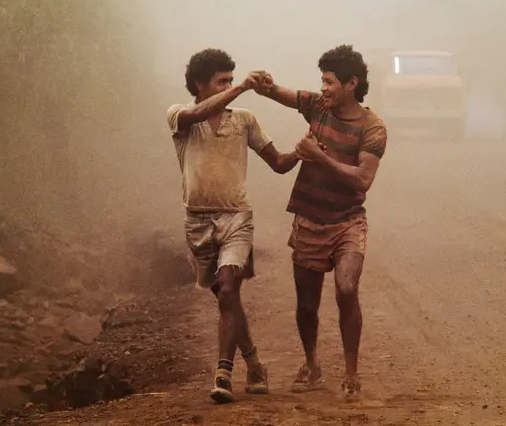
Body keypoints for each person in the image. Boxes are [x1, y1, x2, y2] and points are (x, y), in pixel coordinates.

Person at [165, 48, 299, 404]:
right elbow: (197, 113)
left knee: (227, 291)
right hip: (197, 220)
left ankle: (223, 373)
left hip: (236, 216)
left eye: (229, 79)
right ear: (199, 84)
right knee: (229, 300)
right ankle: (255, 363)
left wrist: (303, 150)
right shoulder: (180, 115)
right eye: (220, 81)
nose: (227, 87)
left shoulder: (244, 120)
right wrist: (240, 87)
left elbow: (279, 163)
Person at [254, 45, 387, 397]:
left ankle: (351, 373)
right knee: (307, 304)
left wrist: (318, 156)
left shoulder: (372, 127)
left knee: (346, 288)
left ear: (351, 83)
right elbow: (284, 95)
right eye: (322, 81)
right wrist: (263, 85)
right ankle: (312, 365)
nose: (324, 88)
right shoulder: (317, 106)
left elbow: (362, 180)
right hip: (309, 220)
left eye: (329, 82)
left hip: (348, 222)